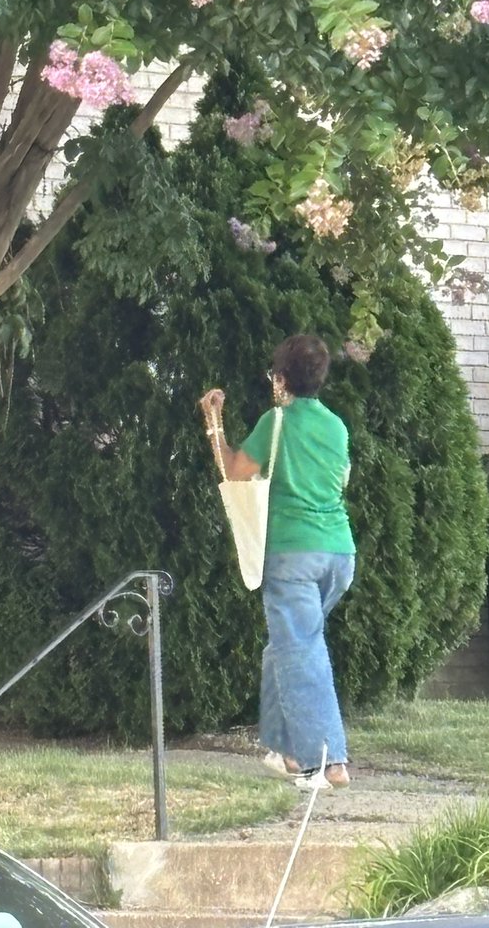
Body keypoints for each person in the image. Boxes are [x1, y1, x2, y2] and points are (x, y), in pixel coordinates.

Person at [199, 334, 355, 791]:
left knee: (300, 651)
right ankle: (286, 750)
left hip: (291, 555)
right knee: (289, 646)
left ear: (282, 380)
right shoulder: (337, 427)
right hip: (339, 555)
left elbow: (234, 472)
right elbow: (339, 481)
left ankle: (324, 763)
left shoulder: (277, 422)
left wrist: (214, 424)